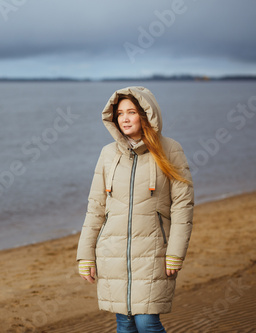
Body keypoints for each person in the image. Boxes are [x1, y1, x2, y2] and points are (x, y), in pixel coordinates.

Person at [76, 86, 194, 333]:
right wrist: (85, 255)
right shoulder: (108, 154)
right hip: (113, 253)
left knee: (146, 322)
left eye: (131, 112)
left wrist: (176, 252)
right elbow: (96, 207)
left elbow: (183, 206)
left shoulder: (170, 149)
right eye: (120, 113)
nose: (125, 118)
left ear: (146, 115)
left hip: (154, 252)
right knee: (125, 323)